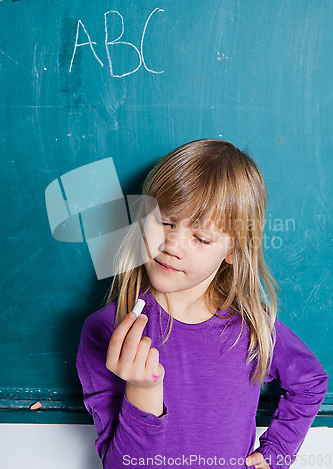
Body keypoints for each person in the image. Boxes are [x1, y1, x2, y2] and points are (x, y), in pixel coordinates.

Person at [76, 139, 328, 469]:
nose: (172, 245)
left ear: (234, 252)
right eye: (165, 222)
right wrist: (142, 390)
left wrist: (277, 453)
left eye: (201, 237)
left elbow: (309, 382)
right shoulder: (107, 330)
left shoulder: (251, 327)